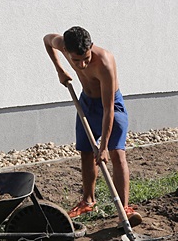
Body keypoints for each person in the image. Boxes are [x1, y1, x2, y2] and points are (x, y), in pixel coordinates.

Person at [44, 27, 133, 219]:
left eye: (86, 58)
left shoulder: (105, 62)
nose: (82, 65)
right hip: (86, 103)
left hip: (110, 106)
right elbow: (47, 39)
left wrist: (103, 147)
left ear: (91, 47)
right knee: (85, 153)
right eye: (76, 61)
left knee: (117, 154)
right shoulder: (62, 44)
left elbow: (108, 108)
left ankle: (124, 209)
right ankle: (88, 201)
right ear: (66, 50)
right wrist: (60, 69)